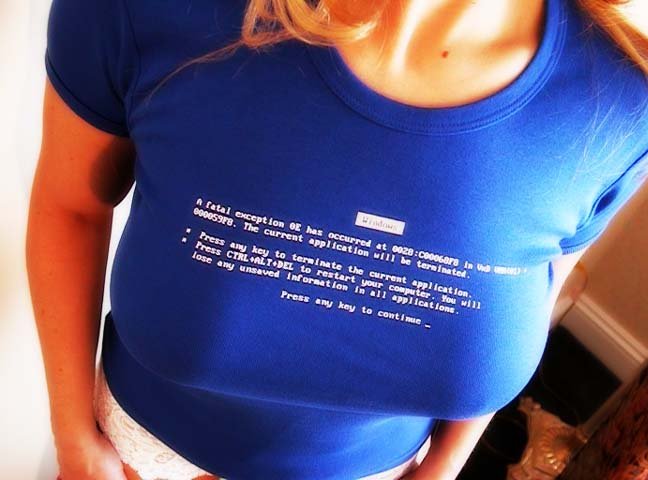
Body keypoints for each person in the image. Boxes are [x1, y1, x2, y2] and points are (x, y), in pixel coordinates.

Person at [26, 0, 648, 479]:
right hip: (136, 456)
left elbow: (529, 299)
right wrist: (75, 442)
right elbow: (71, 207)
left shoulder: (621, 106)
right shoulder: (149, 12)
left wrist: (441, 472)